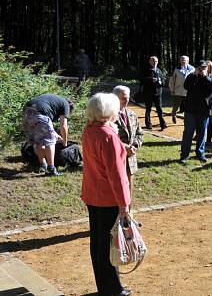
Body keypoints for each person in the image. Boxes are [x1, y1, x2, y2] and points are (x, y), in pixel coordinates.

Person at [80, 93, 132, 296]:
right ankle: (113, 290)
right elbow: (117, 175)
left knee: (98, 243)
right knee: (111, 245)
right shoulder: (109, 135)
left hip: (92, 194)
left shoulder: (89, 130)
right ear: (108, 111)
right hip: (108, 198)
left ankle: (105, 287)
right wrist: (125, 204)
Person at [22, 94, 74, 176]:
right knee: (50, 142)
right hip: (39, 114)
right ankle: (52, 169)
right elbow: (64, 126)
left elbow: (46, 125)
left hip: (26, 113)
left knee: (39, 140)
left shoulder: (55, 101)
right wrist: (65, 141)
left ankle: (43, 166)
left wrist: (55, 134)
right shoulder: (66, 105)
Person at [179, 60, 212, 163]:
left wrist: (205, 76)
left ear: (207, 68)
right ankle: (184, 156)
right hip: (190, 109)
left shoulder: (211, 77)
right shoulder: (192, 76)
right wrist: (194, 75)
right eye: (201, 67)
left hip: (204, 110)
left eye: (204, 67)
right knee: (188, 133)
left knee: (202, 133)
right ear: (197, 68)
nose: (203, 69)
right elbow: (186, 86)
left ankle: (200, 154)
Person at [112, 85, 144, 202]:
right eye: (123, 98)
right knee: (116, 190)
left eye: (128, 98)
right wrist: (124, 148)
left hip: (130, 160)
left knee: (129, 189)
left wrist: (135, 146)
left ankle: (128, 217)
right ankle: (117, 218)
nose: (127, 101)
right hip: (115, 160)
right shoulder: (109, 116)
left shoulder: (132, 114)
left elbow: (139, 133)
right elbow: (109, 139)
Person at [142, 56, 167, 130]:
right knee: (148, 109)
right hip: (148, 93)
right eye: (153, 61)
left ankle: (163, 124)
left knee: (159, 109)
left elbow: (163, 82)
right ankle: (148, 124)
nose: (154, 62)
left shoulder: (159, 70)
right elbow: (142, 80)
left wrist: (160, 82)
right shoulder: (146, 70)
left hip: (158, 93)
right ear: (150, 62)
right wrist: (151, 80)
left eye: (156, 61)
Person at [168, 55, 195, 124]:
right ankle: (174, 115)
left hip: (188, 92)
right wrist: (172, 89)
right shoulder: (176, 69)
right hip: (178, 91)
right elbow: (172, 80)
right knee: (176, 105)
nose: (183, 61)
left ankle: (186, 119)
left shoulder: (192, 69)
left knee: (188, 107)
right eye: (182, 60)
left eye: (185, 60)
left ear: (188, 61)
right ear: (180, 61)